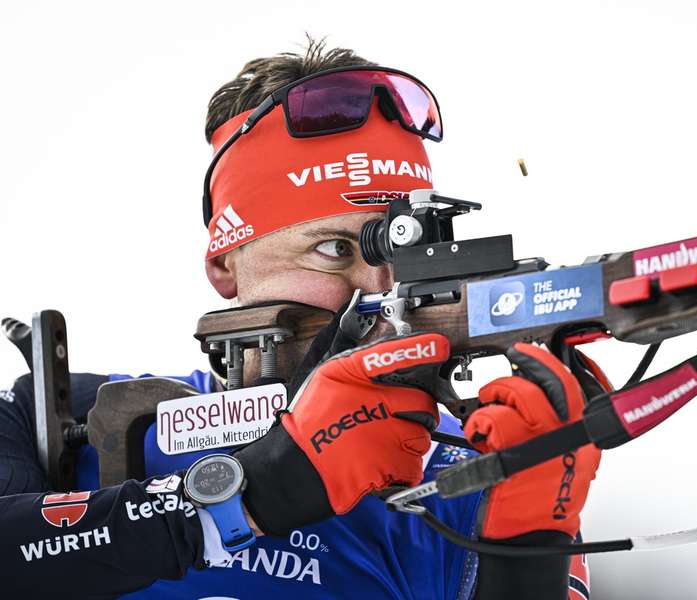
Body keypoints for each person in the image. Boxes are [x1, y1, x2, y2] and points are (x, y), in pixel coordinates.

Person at [0, 39, 605, 599]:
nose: (376, 288)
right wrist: (247, 497)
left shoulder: (471, 474)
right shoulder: (54, 419)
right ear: (225, 266)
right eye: (334, 250)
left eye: (403, 257)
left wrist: (526, 556)